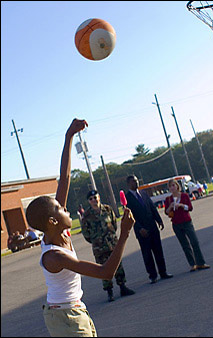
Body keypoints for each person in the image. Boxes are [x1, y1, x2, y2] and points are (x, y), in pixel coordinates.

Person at [25, 118, 135, 337]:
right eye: (61, 209)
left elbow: (64, 178)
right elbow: (106, 272)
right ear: (52, 221)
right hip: (64, 317)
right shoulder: (54, 256)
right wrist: (124, 234)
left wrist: (69, 135)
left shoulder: (56, 230)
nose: (67, 210)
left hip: (72, 309)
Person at [81, 190, 135, 302]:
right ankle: (109, 292)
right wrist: (97, 240)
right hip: (99, 248)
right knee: (103, 268)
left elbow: (114, 225)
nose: (94, 200)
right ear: (88, 201)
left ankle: (122, 287)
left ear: (99, 197)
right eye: (91, 199)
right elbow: (86, 234)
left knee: (118, 265)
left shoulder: (108, 209)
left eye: (95, 197)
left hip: (112, 244)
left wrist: (110, 236)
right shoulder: (86, 215)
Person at [125, 175, 173, 284]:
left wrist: (159, 220)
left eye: (137, 181)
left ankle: (163, 272)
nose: (136, 183)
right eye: (133, 182)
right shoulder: (127, 198)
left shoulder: (143, 193)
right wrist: (139, 228)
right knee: (147, 253)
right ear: (128, 184)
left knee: (158, 251)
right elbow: (130, 217)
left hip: (152, 226)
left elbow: (152, 207)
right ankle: (152, 275)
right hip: (142, 230)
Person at [164, 178, 210, 272]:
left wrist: (181, 205)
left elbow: (190, 207)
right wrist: (170, 206)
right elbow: (166, 212)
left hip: (187, 222)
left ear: (177, 186)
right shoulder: (168, 199)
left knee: (194, 242)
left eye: (173, 185)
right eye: (170, 186)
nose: (172, 188)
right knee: (185, 245)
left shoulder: (184, 196)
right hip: (176, 224)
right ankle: (192, 264)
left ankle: (201, 263)